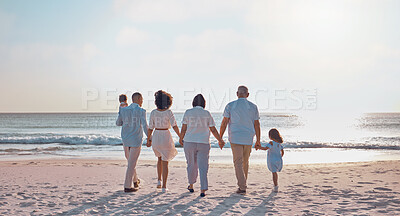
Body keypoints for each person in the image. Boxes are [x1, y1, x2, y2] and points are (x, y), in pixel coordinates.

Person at [179, 94, 225, 197]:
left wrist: (181, 138)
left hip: (189, 142)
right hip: (203, 142)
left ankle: (191, 185)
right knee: (203, 166)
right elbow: (212, 129)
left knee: (191, 164)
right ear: (204, 103)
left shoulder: (188, 112)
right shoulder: (206, 113)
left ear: (193, 102)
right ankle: (203, 189)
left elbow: (184, 128)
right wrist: (220, 140)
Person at [220, 85, 261, 195]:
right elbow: (257, 124)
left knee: (238, 162)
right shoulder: (253, 107)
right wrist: (258, 140)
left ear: (237, 94)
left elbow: (224, 122)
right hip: (248, 138)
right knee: (245, 162)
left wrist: (220, 138)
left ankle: (242, 186)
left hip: (235, 137)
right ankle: (243, 184)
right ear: (247, 95)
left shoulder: (230, 105)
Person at [147, 90, 180, 192]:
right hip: (165, 135)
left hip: (156, 135)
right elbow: (174, 126)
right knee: (165, 162)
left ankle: (158, 180)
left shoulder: (153, 112)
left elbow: (150, 128)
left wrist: (148, 139)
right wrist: (180, 136)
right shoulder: (169, 112)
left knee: (159, 159)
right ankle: (164, 187)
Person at [116, 92, 148, 193]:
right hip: (136, 140)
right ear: (138, 99)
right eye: (142, 99)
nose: (142, 101)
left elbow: (118, 123)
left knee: (131, 162)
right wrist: (150, 137)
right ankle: (127, 186)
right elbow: (145, 125)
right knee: (131, 164)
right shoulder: (141, 111)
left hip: (125, 139)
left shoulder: (124, 110)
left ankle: (135, 180)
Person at [118, 94, 130, 160]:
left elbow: (120, 117)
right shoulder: (127, 106)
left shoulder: (121, 106)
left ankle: (130, 164)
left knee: (126, 151)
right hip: (130, 128)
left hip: (125, 129)